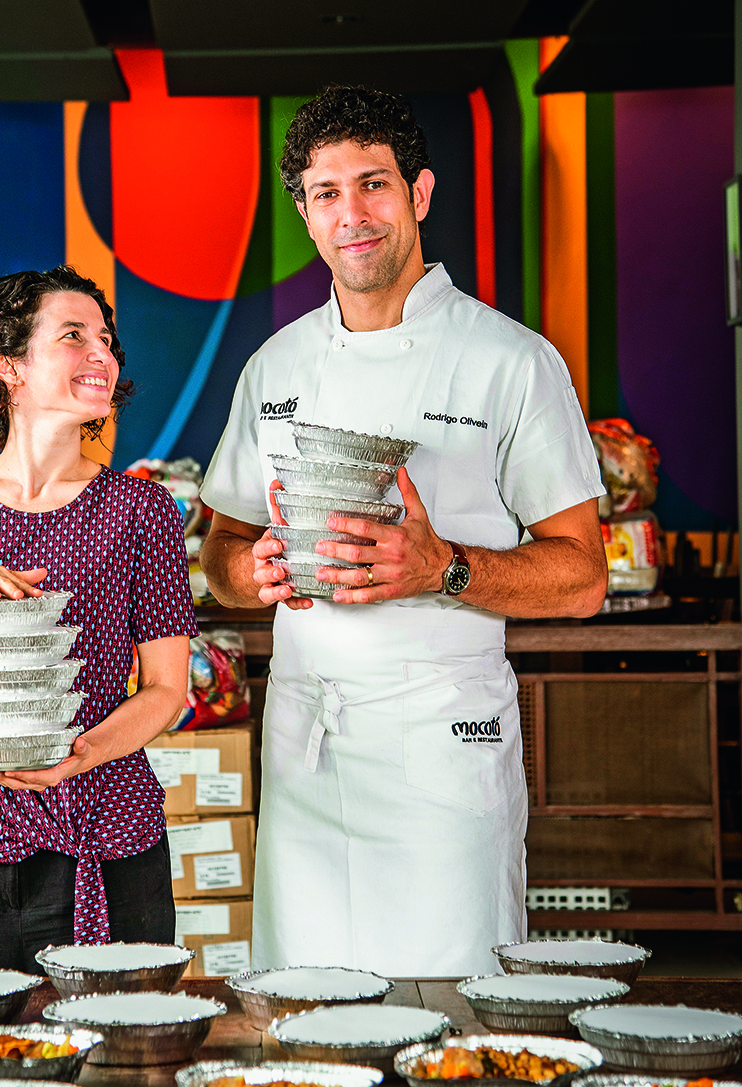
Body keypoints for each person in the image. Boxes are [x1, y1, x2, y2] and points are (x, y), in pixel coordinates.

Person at [200, 85, 608, 977]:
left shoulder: (512, 361)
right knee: (304, 1014)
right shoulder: (277, 364)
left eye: (373, 184)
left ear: (420, 194)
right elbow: (220, 548)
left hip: (444, 740)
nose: (353, 213)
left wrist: (444, 569)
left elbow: (583, 579)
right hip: (308, 740)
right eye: (326, 192)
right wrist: (252, 570)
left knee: (450, 1008)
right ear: (305, 214)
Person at [0, 266, 196, 973]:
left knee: (123, 1069)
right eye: (74, 336)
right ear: (9, 365)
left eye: (107, 341)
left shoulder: (142, 512)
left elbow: (168, 690)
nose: (101, 356)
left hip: (109, 845)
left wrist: (83, 754)